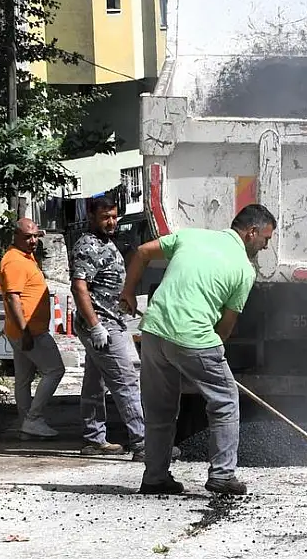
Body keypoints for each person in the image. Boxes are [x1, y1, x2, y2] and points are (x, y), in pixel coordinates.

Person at [119, 204, 275, 496]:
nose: (265, 246)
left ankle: (154, 477)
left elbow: (141, 252)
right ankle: (222, 475)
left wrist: (128, 292)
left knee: (160, 410)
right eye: (265, 239)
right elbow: (225, 329)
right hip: (194, 337)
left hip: (153, 331)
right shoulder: (244, 270)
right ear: (252, 232)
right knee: (226, 401)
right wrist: (209, 358)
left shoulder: (191, 237)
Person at [70, 195, 147, 458]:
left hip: (110, 319)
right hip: (102, 324)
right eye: (105, 217)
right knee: (127, 378)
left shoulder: (106, 242)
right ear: (91, 217)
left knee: (96, 379)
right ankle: (143, 443)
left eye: (114, 217)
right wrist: (95, 327)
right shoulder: (88, 245)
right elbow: (79, 287)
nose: (111, 222)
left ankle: (93, 438)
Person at [0, 218, 66, 438]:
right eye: (28, 237)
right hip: (30, 331)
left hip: (24, 330)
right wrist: (26, 331)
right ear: (15, 237)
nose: (33, 240)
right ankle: (33, 419)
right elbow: (12, 299)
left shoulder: (23, 256)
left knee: (24, 379)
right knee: (55, 370)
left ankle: (26, 426)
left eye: (36, 236)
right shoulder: (15, 261)